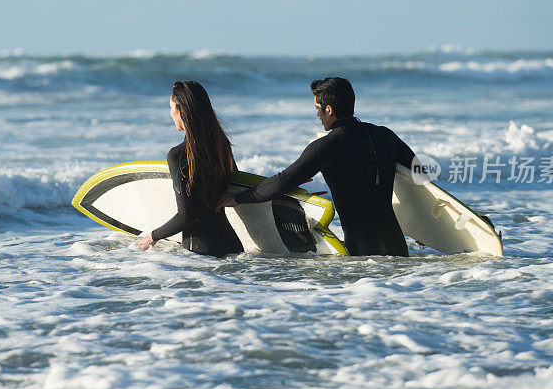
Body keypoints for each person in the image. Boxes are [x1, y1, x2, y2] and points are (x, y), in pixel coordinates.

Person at [216, 77, 416, 257]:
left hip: (363, 254)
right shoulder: (385, 135)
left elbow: (283, 181)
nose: (317, 114)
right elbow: (419, 174)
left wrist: (237, 198)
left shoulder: (326, 146)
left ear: (329, 109)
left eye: (317, 108)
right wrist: (426, 228)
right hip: (398, 247)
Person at [137, 81, 244, 258]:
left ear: (180, 110)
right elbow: (235, 184)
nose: (170, 113)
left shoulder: (177, 155)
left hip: (201, 254)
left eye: (170, 107)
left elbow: (186, 216)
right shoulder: (221, 145)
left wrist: (152, 237)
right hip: (232, 245)